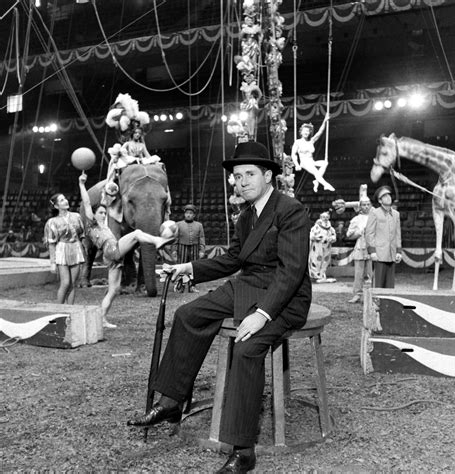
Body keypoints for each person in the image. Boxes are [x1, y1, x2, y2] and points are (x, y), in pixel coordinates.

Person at [127, 141, 312, 473]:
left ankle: (243, 450)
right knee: (188, 315)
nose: (242, 183)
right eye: (237, 177)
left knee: (247, 348)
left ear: (268, 175)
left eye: (249, 175)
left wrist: (262, 315)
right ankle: (170, 402)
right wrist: (190, 269)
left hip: (285, 295)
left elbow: (291, 271)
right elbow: (233, 260)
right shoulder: (245, 216)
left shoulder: (290, 210)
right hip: (248, 285)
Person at [78, 172, 174, 328]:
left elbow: (108, 204)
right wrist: (82, 185)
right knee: (136, 234)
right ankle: (158, 241)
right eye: (100, 213)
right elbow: (87, 203)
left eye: (104, 212)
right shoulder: (91, 223)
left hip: (113, 256)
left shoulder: (105, 222)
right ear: (93, 214)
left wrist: (108, 195)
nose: (103, 214)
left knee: (114, 290)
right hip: (111, 249)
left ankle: (102, 318)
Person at [44, 193, 85, 304]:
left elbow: (81, 235)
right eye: (62, 200)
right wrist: (53, 262)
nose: (66, 201)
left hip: (75, 249)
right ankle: (58, 310)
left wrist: (82, 251)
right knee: (65, 283)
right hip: (62, 250)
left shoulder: (76, 217)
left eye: (65, 198)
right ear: (56, 206)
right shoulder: (52, 222)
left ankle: (69, 311)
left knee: (72, 284)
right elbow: (51, 243)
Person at [365, 185, 402, 288]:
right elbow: (369, 233)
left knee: (390, 285)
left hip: (391, 253)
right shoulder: (375, 213)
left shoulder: (396, 214)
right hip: (379, 254)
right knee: (378, 284)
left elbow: (398, 234)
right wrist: (372, 251)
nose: (388, 197)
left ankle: (388, 303)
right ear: (380, 200)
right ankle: (376, 303)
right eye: (384, 196)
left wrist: (399, 251)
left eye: (389, 195)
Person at [291, 113, 335, 193]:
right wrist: (296, 164)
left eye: (308, 131)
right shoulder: (298, 142)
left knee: (325, 163)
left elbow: (320, 132)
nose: (306, 133)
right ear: (301, 132)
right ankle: (326, 184)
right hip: (304, 162)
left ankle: (317, 181)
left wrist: (324, 121)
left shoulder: (311, 141)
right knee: (316, 172)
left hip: (311, 161)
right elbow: (293, 154)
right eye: (305, 131)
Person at [171, 204, 206, 293]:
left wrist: (201, 250)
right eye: (187, 213)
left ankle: (192, 286)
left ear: (194, 215)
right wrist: (174, 250)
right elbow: (175, 238)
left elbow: (201, 238)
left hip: (194, 248)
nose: (188, 215)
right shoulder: (178, 224)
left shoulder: (199, 225)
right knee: (181, 267)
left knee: (193, 268)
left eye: (191, 213)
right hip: (182, 248)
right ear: (184, 214)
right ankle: (180, 286)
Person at [346, 196, 372, 303]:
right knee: (358, 273)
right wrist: (358, 233)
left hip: (372, 249)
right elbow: (349, 235)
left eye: (368, 204)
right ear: (360, 206)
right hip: (360, 247)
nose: (366, 207)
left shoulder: (375, 217)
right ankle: (357, 294)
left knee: (371, 273)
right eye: (364, 205)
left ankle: (370, 295)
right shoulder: (356, 219)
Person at [308, 211, 337, 282]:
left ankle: (322, 274)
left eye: (327, 217)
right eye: (324, 217)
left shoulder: (330, 228)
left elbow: (334, 236)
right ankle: (315, 275)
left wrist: (332, 238)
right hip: (318, 246)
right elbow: (311, 235)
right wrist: (316, 237)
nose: (325, 218)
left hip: (327, 246)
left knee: (325, 260)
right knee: (316, 259)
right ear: (321, 217)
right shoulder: (316, 227)